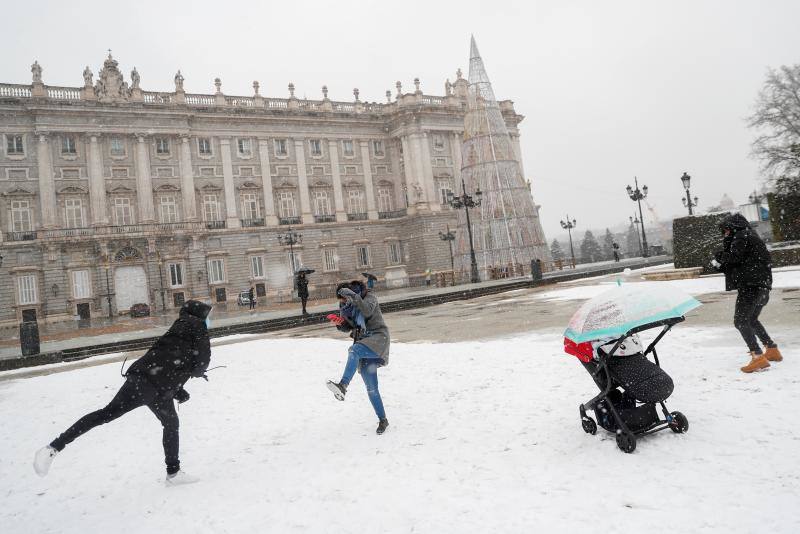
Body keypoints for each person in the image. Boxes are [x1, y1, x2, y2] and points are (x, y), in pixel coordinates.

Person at [33, 300, 213, 485]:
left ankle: (54, 447)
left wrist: (177, 389)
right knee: (166, 424)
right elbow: (201, 362)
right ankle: (173, 473)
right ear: (200, 315)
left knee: (112, 415)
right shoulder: (197, 325)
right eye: (208, 315)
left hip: (146, 381)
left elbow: (169, 360)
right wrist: (197, 372)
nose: (209, 319)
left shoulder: (179, 327)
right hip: (153, 386)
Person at [711, 213, 783, 373]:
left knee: (740, 321)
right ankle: (771, 349)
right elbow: (741, 262)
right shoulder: (751, 236)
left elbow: (735, 257)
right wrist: (721, 264)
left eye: (726, 230)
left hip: (751, 286)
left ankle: (758, 357)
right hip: (763, 286)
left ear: (732, 227)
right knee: (751, 319)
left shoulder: (741, 235)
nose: (725, 234)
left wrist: (719, 255)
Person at [326, 280, 390, 434]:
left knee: (353, 351)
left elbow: (366, 311)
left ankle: (343, 385)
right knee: (371, 389)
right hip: (364, 343)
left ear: (351, 293)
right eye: (341, 300)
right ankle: (383, 420)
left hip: (377, 338)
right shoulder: (347, 305)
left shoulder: (369, 298)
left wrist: (353, 296)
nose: (343, 302)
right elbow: (350, 326)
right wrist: (340, 323)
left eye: (344, 298)